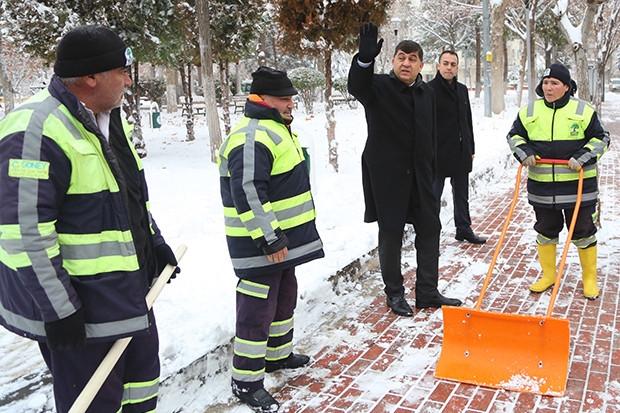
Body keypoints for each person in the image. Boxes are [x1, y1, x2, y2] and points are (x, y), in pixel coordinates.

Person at [0, 25, 180, 412]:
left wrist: (154, 242)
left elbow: (128, 197)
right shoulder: (36, 129)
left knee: (141, 394)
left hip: (128, 298)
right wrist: (61, 311)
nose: (130, 81)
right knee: (95, 405)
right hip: (81, 316)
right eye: (123, 72)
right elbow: (23, 232)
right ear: (91, 77)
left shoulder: (109, 121)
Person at [218, 66, 324, 412]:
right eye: (284, 98)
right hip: (261, 244)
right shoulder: (251, 135)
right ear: (261, 99)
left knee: (283, 298)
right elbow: (248, 190)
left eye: (291, 97)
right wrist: (270, 238)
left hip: (280, 243)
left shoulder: (273, 128)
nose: (291, 103)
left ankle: (277, 356)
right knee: (257, 308)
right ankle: (246, 381)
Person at [347, 22, 462, 317]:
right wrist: (364, 59)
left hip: (422, 176)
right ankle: (394, 293)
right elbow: (356, 86)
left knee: (430, 229)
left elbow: (432, 135)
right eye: (401, 57)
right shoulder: (378, 88)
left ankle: (427, 291)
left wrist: (433, 167)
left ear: (421, 64)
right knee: (391, 233)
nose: (406, 63)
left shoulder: (427, 94)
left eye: (412, 59)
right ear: (394, 61)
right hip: (389, 178)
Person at [507, 63, 610, 299]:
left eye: (554, 83)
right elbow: (514, 136)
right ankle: (548, 275)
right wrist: (525, 154)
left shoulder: (583, 111)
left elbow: (602, 138)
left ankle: (589, 278)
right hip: (542, 189)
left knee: (583, 232)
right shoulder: (529, 112)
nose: (548, 87)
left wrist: (582, 157)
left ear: (566, 87)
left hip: (579, 188)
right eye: (545, 83)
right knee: (545, 231)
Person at [428, 50, 486, 245]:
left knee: (462, 194)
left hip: (461, 151)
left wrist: (471, 147)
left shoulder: (461, 89)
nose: (449, 67)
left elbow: (467, 120)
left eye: (453, 64)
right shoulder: (429, 89)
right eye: (445, 63)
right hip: (438, 152)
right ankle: (430, 233)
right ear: (438, 65)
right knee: (433, 196)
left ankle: (463, 228)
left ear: (457, 67)